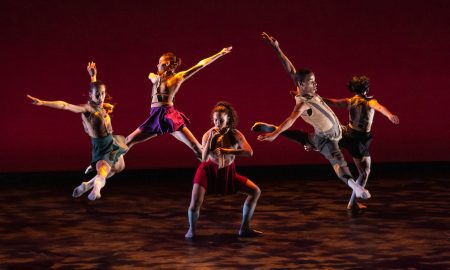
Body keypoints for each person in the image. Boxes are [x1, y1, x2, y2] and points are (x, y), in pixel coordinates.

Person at [252, 32, 370, 200]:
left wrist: (276, 48)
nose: (315, 84)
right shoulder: (302, 103)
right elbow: (290, 119)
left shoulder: (308, 91)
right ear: (301, 84)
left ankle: (271, 128)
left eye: (314, 81)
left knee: (304, 138)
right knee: (337, 159)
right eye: (312, 82)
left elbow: (291, 69)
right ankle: (355, 186)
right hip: (326, 139)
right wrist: (273, 135)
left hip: (339, 131)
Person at [27, 62, 127, 200]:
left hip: (111, 141)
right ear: (90, 95)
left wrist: (94, 76)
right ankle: (96, 189)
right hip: (101, 146)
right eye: (97, 95)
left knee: (119, 167)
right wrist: (43, 102)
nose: (101, 97)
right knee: (104, 171)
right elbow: (65, 106)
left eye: (103, 94)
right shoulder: (87, 109)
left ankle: (88, 185)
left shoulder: (100, 106)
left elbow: (95, 89)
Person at [125, 47, 233, 160]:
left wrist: (219, 53)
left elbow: (200, 64)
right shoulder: (156, 78)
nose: (157, 65)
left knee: (196, 147)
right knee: (129, 140)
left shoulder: (178, 77)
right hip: (155, 115)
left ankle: (216, 167)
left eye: (159, 63)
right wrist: (153, 77)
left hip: (169, 115)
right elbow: (151, 76)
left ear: (166, 64)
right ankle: (109, 165)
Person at [185, 102, 261, 239]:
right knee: (195, 203)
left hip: (228, 171)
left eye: (221, 120)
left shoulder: (235, 134)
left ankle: (244, 228)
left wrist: (228, 151)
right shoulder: (208, 134)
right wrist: (210, 141)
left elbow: (249, 152)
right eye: (215, 120)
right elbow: (203, 158)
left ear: (229, 119)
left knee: (255, 191)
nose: (217, 123)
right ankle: (191, 230)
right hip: (208, 170)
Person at [323, 75, 399, 209]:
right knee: (365, 172)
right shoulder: (370, 102)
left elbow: (331, 102)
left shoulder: (349, 101)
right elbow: (380, 107)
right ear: (367, 88)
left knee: (363, 171)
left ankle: (315, 144)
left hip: (348, 134)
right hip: (358, 139)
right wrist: (390, 115)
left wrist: (311, 98)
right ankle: (352, 204)